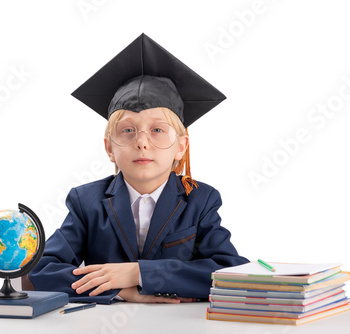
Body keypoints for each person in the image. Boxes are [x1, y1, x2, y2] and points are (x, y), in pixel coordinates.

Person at [27, 34, 249, 304]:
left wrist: (138, 274)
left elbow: (230, 273)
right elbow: (42, 271)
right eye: (128, 131)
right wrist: (120, 291)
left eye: (157, 130)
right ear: (110, 148)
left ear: (181, 147)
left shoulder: (200, 200)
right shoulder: (87, 202)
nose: (142, 142)